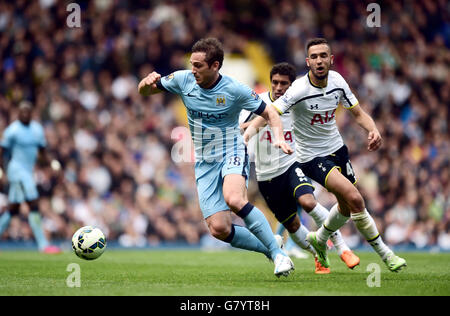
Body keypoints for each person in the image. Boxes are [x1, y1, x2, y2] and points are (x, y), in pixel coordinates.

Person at [244, 38, 407, 272]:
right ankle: (386, 254)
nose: (319, 61)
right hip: (310, 157)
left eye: (323, 56)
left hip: (338, 150)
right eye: (315, 57)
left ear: (331, 60)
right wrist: (249, 132)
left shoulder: (338, 82)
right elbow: (270, 112)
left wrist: (373, 129)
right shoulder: (299, 89)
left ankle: (319, 239)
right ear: (308, 61)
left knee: (346, 206)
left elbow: (358, 113)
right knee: (355, 198)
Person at [138, 38, 295, 277]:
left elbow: (270, 112)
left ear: (215, 66)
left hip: (232, 150)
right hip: (205, 161)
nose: (193, 70)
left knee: (233, 198)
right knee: (219, 229)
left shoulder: (235, 90)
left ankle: (278, 254)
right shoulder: (182, 80)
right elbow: (145, 91)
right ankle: (271, 248)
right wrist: (146, 83)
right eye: (192, 64)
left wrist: (279, 138)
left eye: (199, 65)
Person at [240, 62, 360, 274]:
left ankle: (343, 248)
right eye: (275, 82)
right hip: (266, 176)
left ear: (291, 85)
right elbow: (242, 128)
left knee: (308, 202)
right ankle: (318, 255)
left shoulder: (299, 104)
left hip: (292, 164)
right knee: (293, 226)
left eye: (284, 84)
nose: (278, 87)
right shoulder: (258, 104)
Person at [0, 101, 61, 253]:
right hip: (17, 170)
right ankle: (43, 244)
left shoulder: (37, 129)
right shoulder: (12, 130)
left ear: (32, 113)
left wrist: (52, 163)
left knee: (13, 209)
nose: (25, 114)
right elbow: (2, 151)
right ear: (18, 113)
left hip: (28, 171)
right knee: (33, 203)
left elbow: (42, 150)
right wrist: (1, 170)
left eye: (28, 112)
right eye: (22, 112)